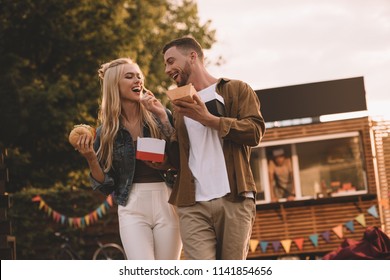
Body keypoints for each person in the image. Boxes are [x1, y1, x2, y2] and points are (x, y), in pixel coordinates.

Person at [161, 36, 266, 260]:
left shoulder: (236, 89)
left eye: (171, 61)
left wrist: (209, 119)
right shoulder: (179, 105)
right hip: (192, 204)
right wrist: (162, 121)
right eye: (166, 64)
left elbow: (254, 132)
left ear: (193, 56)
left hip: (234, 199)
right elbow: (178, 155)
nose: (167, 69)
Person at [74, 58, 182, 260]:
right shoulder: (105, 132)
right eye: (129, 76)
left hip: (167, 199)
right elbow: (106, 184)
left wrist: (163, 117)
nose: (138, 80)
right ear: (115, 85)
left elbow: (181, 154)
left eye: (139, 76)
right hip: (131, 204)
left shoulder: (159, 115)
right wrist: (90, 157)